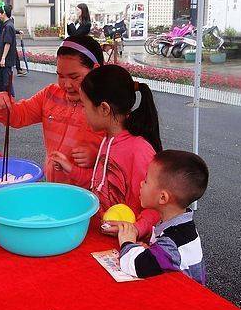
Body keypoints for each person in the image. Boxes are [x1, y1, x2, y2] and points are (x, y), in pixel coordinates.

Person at [49, 64, 162, 241]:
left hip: (128, 244)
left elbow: (157, 207)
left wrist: (135, 229)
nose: (83, 113)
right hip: (103, 236)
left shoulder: (139, 151)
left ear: (104, 109)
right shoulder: (108, 139)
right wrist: (71, 169)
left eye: (85, 106)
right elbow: (103, 185)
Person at [0, 35, 104, 183]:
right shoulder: (50, 95)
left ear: (95, 70)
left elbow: (122, 150)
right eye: (61, 76)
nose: (67, 85)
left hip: (90, 193)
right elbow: (19, 115)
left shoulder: (106, 106)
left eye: (74, 77)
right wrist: (2, 106)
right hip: (52, 185)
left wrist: (97, 156)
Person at [116, 150, 209, 284]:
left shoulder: (172, 241)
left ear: (163, 197)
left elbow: (137, 266)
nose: (141, 183)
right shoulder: (179, 225)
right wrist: (151, 251)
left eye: (146, 181)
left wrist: (127, 242)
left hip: (184, 300)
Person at [0, 4, 18, 96]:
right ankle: (4, 99)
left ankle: (8, 101)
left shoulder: (8, 26)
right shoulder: (7, 25)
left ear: (4, 13)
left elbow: (7, 43)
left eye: (0, 13)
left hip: (7, 60)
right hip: (5, 59)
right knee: (3, 80)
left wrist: (3, 58)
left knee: (6, 82)